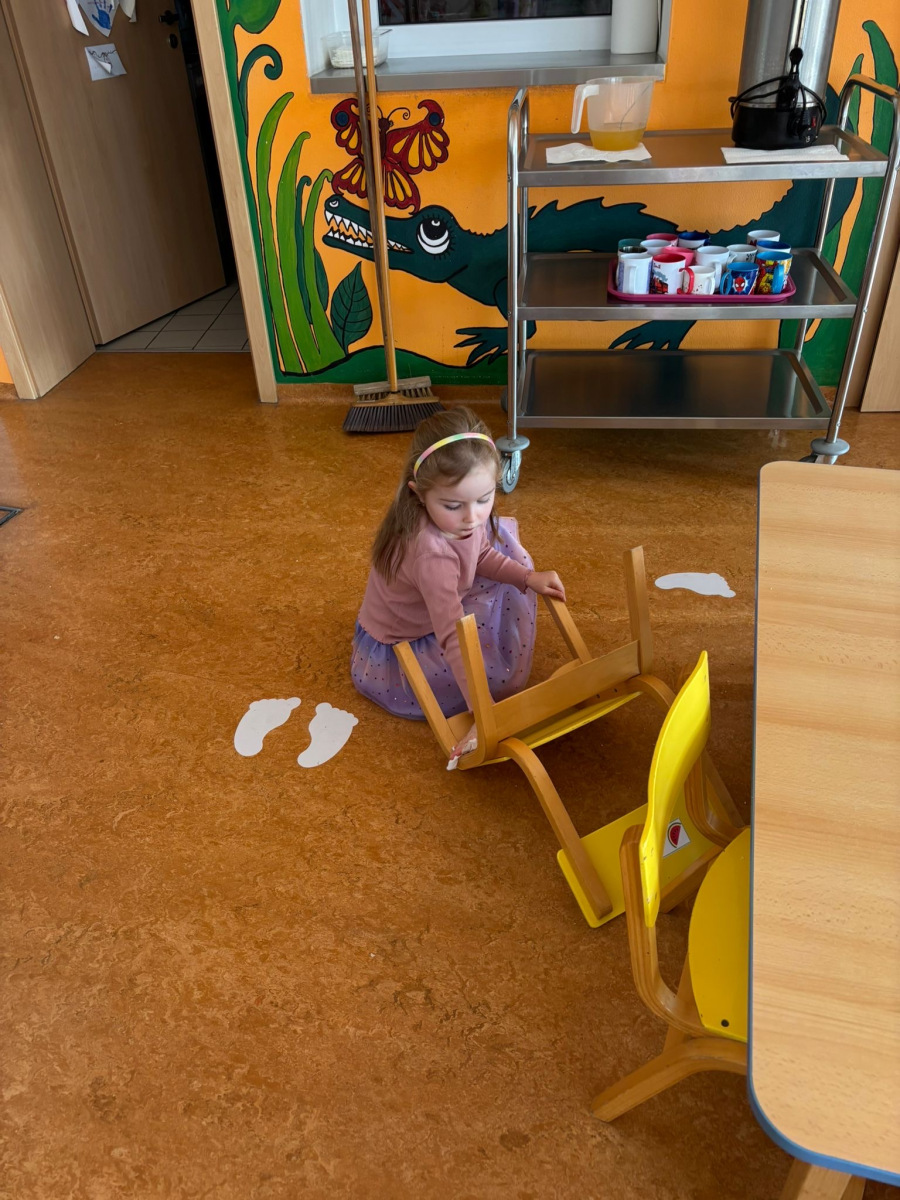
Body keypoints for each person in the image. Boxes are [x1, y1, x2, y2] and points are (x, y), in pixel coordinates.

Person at [351, 407, 566, 761]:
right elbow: (452, 636)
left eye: (485, 499)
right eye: (453, 505)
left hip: (435, 607)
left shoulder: (461, 522)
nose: (472, 517)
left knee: (509, 554)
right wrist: (482, 711)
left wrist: (527, 578)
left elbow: (481, 554)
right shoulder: (431, 556)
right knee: (492, 672)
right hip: (403, 648)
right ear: (418, 494)